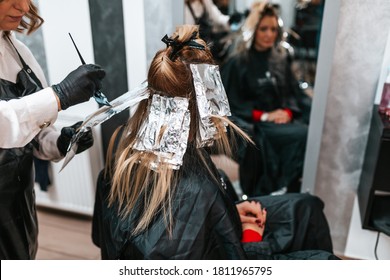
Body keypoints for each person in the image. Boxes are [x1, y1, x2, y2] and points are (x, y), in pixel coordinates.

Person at [92, 24, 337, 260]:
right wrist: (252, 237)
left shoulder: (115, 168)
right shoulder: (201, 190)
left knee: (306, 206)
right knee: (322, 256)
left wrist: (230, 213)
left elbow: (102, 238)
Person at [0, 0, 106, 259]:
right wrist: (60, 95)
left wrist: (59, 142)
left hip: (20, 202)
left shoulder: (19, 51)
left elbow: (33, 132)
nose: (24, 7)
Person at [221, 2, 312, 196]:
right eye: (264, 29)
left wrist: (286, 112)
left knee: (307, 132)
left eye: (273, 29)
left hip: (278, 122)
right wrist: (265, 116)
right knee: (261, 142)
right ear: (254, 29)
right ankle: (259, 191)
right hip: (253, 123)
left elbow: (293, 95)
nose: (269, 34)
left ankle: (291, 186)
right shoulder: (238, 63)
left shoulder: (279, 60)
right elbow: (231, 104)